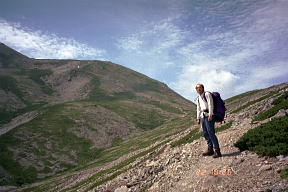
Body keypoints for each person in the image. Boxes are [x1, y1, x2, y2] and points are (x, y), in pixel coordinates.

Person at [195, 83, 222, 158]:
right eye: (197, 88)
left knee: (211, 133)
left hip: (209, 116)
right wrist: (198, 118)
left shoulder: (207, 94)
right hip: (203, 116)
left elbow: (211, 105)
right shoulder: (198, 98)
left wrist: (210, 114)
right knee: (205, 133)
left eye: (200, 88)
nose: (198, 89)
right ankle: (210, 150)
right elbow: (198, 108)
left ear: (203, 88)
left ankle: (217, 151)